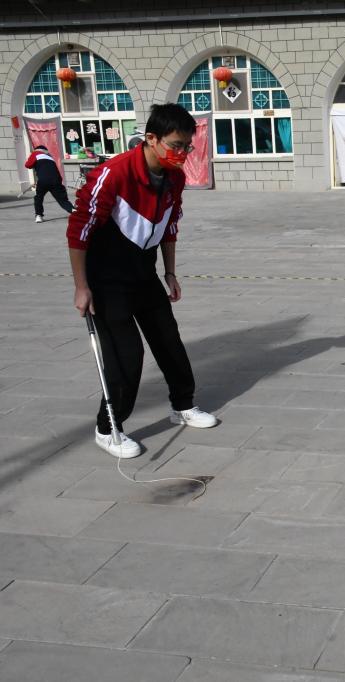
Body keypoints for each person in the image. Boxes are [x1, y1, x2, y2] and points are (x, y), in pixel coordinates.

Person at [67, 103, 218, 459]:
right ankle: (108, 428)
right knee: (127, 355)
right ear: (151, 138)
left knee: (169, 340)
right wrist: (81, 286)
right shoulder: (114, 174)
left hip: (144, 274)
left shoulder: (174, 178)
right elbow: (78, 231)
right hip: (107, 282)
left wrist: (170, 272)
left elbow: (170, 226)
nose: (182, 153)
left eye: (187, 146)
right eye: (175, 145)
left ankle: (183, 404)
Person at [25, 144, 74, 223]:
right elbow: (55, 171)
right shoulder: (50, 157)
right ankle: (73, 211)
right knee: (62, 200)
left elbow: (28, 165)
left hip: (43, 180)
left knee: (38, 198)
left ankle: (39, 215)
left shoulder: (35, 154)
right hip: (56, 180)